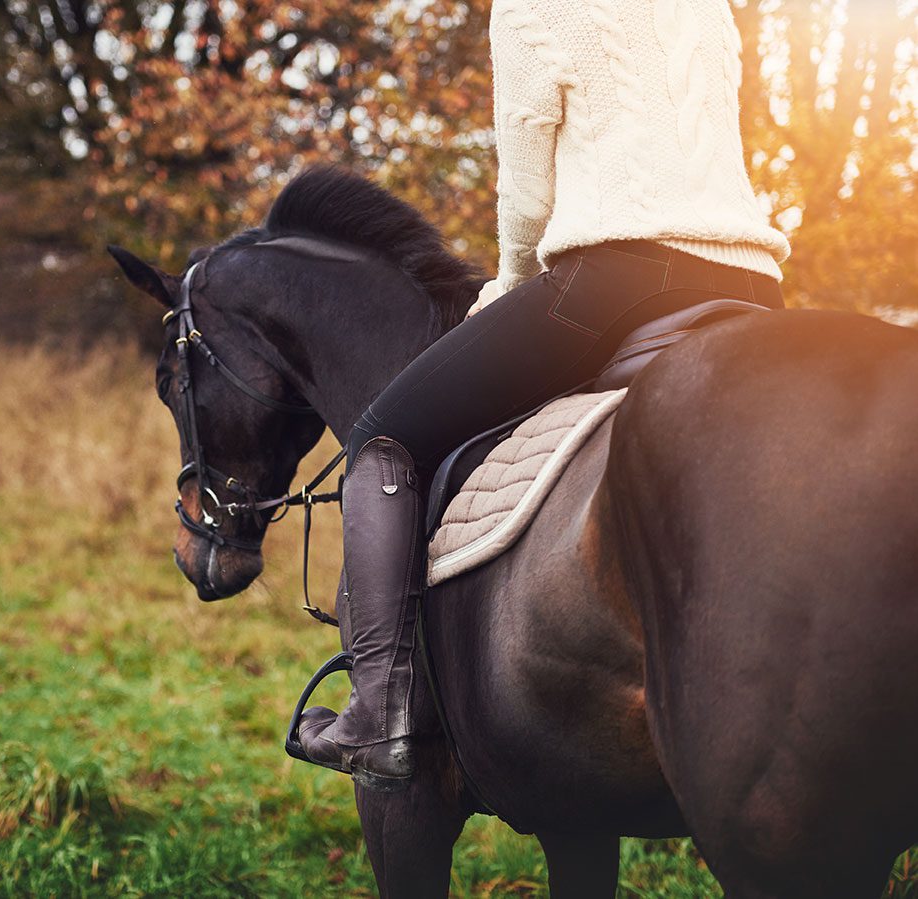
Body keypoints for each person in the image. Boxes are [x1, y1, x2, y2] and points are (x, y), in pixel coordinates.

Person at [297, 0, 790, 790]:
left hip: (615, 282)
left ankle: (379, 713)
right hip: (753, 281)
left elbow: (528, 199)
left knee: (381, 437)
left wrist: (506, 297)